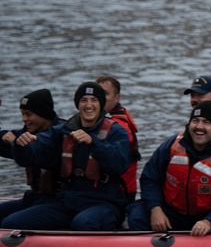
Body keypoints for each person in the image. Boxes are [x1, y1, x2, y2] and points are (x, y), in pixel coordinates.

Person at [4, 81, 130, 231]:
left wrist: (93, 142)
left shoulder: (116, 132)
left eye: (94, 100)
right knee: (11, 223)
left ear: (101, 104)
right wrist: (20, 146)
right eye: (83, 100)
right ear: (77, 104)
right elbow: (32, 155)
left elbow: (119, 165)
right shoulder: (61, 131)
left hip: (104, 202)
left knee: (84, 223)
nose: (88, 105)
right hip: (68, 202)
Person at [128, 101, 211, 236]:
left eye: (206, 122)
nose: (199, 127)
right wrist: (156, 209)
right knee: (137, 215)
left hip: (208, 216)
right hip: (172, 212)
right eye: (195, 121)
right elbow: (150, 179)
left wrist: (209, 222)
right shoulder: (172, 145)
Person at [0, 89, 62, 224]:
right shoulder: (27, 132)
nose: (24, 119)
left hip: (59, 202)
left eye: (28, 114)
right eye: (22, 114)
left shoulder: (59, 134)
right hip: (36, 198)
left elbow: (34, 152)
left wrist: (16, 144)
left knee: (9, 223)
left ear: (43, 114)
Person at [95, 75, 141, 201]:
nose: (100, 99)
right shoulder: (107, 120)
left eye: (105, 94)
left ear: (117, 98)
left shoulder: (119, 127)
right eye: (97, 94)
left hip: (120, 191)